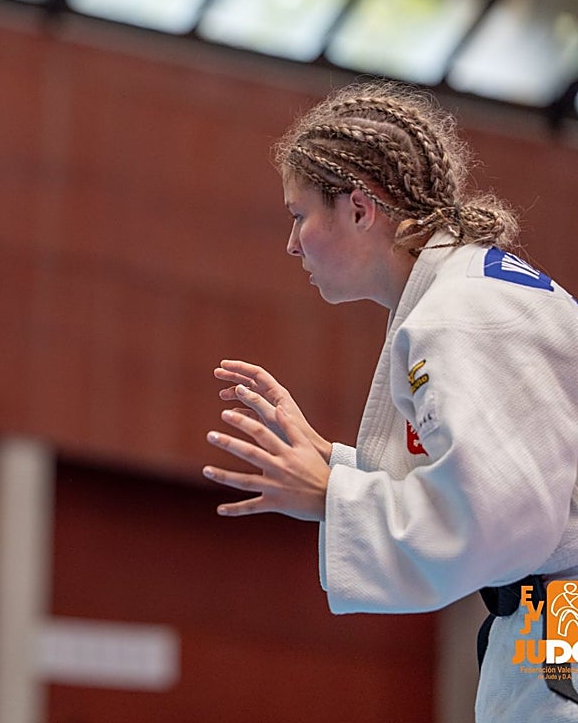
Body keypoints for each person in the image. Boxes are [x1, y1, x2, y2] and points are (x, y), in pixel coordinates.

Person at [200, 81, 578, 722]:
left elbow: (498, 522)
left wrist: (330, 493)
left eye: (298, 215)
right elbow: (495, 490)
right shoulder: (471, 292)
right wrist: (334, 463)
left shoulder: (460, 316)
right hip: (556, 611)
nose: (292, 243)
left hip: (561, 614)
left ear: (359, 208)